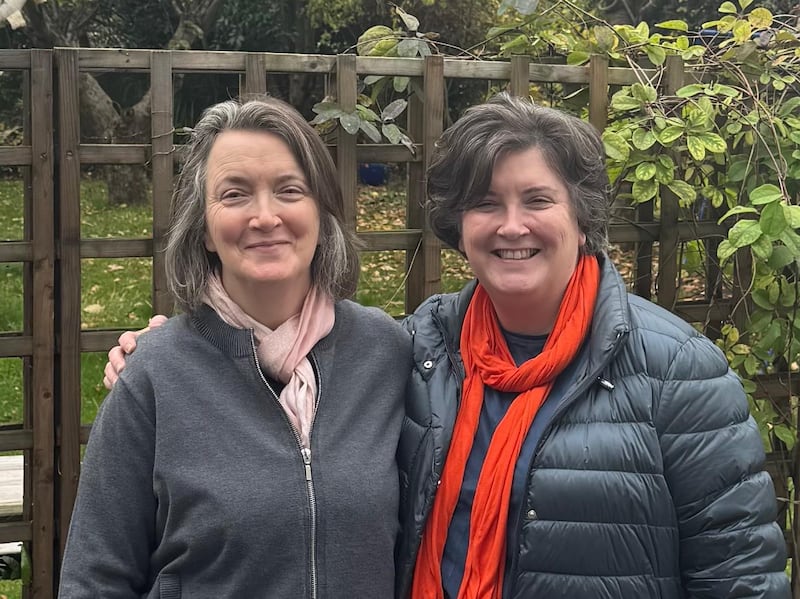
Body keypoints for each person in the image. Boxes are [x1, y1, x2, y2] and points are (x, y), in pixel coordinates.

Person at [103, 94, 790, 599]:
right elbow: (276, 355)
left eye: (538, 200)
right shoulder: (418, 349)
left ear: (583, 217)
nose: (512, 226)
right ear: (459, 226)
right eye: (486, 203)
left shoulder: (678, 374)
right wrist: (171, 357)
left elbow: (741, 580)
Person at [59, 96, 411, 598]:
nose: (265, 216)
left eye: (290, 190)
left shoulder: (386, 353)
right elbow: (95, 580)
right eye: (235, 194)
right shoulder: (153, 377)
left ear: (321, 214)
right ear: (204, 228)